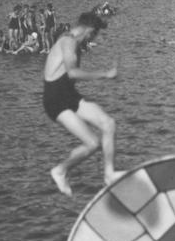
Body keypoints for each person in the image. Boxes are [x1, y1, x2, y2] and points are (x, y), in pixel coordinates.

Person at [43, 11, 120, 196]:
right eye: (95, 34)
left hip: (69, 95)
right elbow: (73, 73)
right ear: (90, 30)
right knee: (92, 143)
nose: (93, 38)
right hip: (55, 101)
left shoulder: (75, 43)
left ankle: (109, 175)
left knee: (108, 124)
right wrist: (105, 74)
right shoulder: (68, 42)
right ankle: (60, 170)